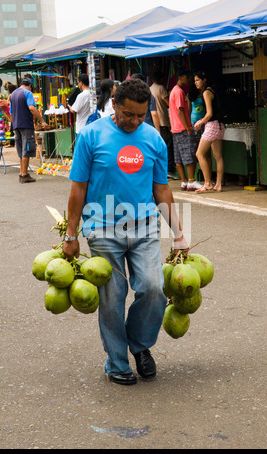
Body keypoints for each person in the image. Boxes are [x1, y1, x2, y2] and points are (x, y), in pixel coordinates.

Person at [62, 78, 189, 386]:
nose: (135, 121)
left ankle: (140, 345)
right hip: (102, 228)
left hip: (144, 225)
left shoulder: (153, 139)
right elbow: (78, 188)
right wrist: (71, 234)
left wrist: (180, 234)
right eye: (129, 114)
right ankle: (117, 362)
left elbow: (162, 189)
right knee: (112, 297)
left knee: (154, 287)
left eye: (141, 115)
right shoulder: (91, 136)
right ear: (114, 105)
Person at [169, 68, 202, 191]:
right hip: (182, 127)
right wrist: (188, 127)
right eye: (187, 78)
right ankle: (191, 180)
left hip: (175, 128)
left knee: (178, 157)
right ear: (181, 77)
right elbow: (180, 110)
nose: (189, 80)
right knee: (189, 155)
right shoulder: (179, 92)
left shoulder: (174, 91)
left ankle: (184, 181)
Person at [10, 77, 48, 183]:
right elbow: (31, 108)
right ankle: (24, 174)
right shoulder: (27, 93)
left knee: (21, 149)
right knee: (26, 149)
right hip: (26, 125)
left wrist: (14, 125)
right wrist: (42, 121)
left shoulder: (13, 94)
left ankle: (21, 173)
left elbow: (11, 113)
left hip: (16, 125)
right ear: (30, 85)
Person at [194, 71, 225, 193]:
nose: (195, 83)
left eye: (197, 80)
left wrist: (200, 122)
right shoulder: (213, 91)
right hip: (219, 125)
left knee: (199, 154)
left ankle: (207, 183)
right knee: (218, 156)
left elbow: (209, 114)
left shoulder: (206, 92)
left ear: (204, 79)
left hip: (211, 125)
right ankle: (218, 184)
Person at [150, 71, 177, 180]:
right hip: (162, 121)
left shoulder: (150, 88)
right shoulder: (161, 88)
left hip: (155, 122)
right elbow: (168, 103)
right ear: (161, 79)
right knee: (168, 145)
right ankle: (169, 169)